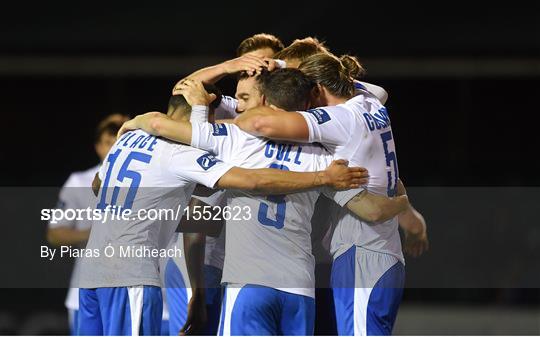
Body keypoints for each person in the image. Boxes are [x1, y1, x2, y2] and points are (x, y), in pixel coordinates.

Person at [118, 72, 409, 335]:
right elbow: (370, 209)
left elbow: (166, 126)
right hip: (299, 289)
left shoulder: (234, 140)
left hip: (248, 283)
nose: (239, 107)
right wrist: (402, 202)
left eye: (245, 98)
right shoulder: (324, 157)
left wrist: (150, 119)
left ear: (266, 100)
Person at [234, 52, 428, 335]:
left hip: (362, 253)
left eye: (306, 92)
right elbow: (373, 88)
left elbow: (260, 124)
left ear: (317, 89)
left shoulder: (339, 119)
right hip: (385, 254)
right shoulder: (370, 101)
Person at [46, 113, 129, 335]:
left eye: (119, 141)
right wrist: (97, 233)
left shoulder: (150, 178)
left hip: (131, 289)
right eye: (108, 142)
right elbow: (55, 234)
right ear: (97, 146)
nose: (113, 148)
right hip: (85, 290)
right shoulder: (79, 181)